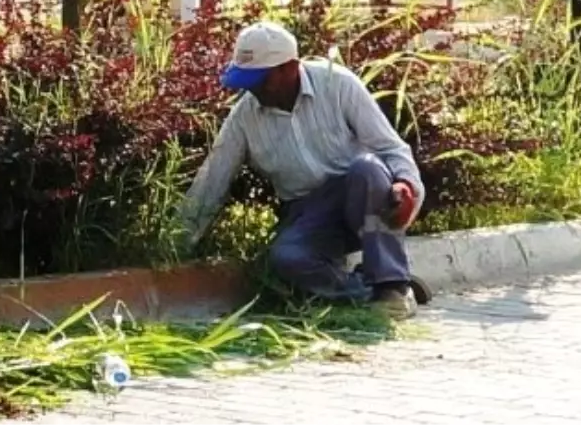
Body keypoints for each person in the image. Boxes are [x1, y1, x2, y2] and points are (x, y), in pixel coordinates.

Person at [179, 21, 428, 319]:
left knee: (367, 168)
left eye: (260, 79)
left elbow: (391, 148)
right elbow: (212, 181)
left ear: (290, 67)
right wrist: (178, 241)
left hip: (361, 197)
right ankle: (363, 292)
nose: (252, 89)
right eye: (246, 80)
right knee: (287, 258)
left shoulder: (338, 85)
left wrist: (406, 185)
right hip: (307, 213)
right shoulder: (244, 116)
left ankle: (393, 287)